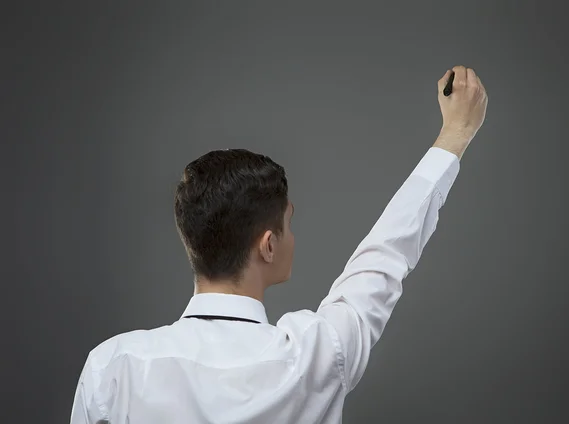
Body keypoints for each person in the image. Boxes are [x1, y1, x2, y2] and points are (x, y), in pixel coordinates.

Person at [70, 65, 488, 424]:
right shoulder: (316, 356)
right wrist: (456, 132)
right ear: (267, 245)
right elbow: (386, 254)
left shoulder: (113, 367)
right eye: (289, 224)